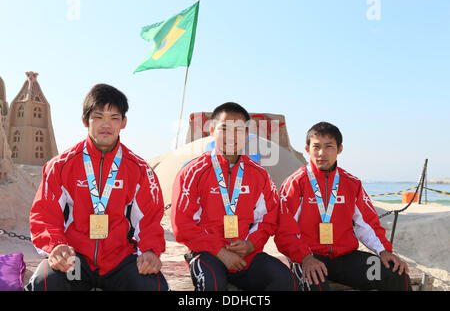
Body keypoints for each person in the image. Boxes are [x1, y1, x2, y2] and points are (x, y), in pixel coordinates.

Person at [25, 84, 169, 291]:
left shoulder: (140, 169)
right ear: (85, 120)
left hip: (119, 262)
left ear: (124, 122)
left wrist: (150, 251)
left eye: (114, 118)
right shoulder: (60, 166)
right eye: (98, 117)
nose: (106, 125)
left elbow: (150, 219)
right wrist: (56, 245)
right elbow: (44, 213)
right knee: (44, 283)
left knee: (154, 286)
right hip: (75, 260)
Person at [171, 102, 296, 291]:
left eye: (238, 129)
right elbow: (182, 225)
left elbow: (269, 216)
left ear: (247, 134)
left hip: (247, 254)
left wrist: (251, 244)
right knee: (212, 285)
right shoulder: (193, 172)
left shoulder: (259, 174)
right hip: (207, 254)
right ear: (212, 130)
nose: (231, 135)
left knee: (285, 279)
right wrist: (220, 252)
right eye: (224, 128)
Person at [275, 121, 411, 291]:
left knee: (394, 273)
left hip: (345, 259)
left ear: (339, 149)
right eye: (316, 146)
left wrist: (384, 251)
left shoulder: (352, 183)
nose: (322, 153)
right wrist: (305, 257)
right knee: (316, 285)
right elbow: (284, 229)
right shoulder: (296, 183)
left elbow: (367, 224)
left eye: (329, 146)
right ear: (307, 149)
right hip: (308, 258)